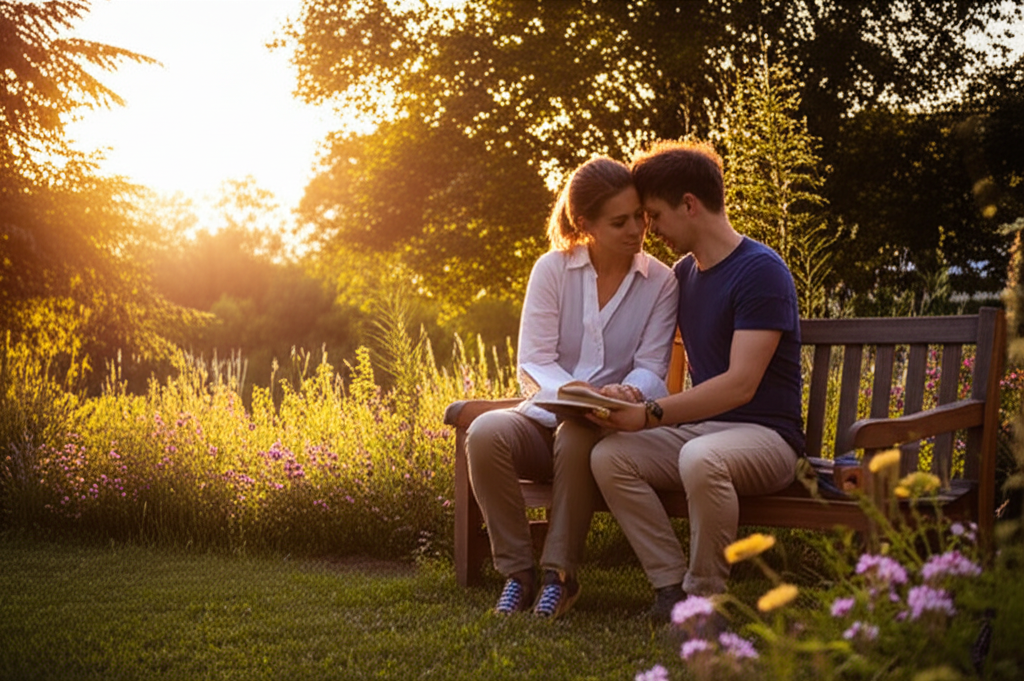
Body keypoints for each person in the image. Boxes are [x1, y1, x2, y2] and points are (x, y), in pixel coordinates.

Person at [588, 140, 804, 624]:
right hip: (707, 433)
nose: (649, 229)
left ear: (689, 205)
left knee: (700, 457)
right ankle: (671, 590)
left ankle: (706, 601)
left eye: (654, 215)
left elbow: (739, 386)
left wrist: (648, 416)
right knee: (610, 455)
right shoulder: (683, 275)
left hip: (768, 438)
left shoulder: (760, 271)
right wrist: (623, 395)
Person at [465, 156, 678, 619]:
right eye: (619, 221)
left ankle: (559, 577)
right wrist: (573, 393)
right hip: (541, 421)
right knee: (483, 432)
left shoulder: (662, 282)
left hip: (607, 430)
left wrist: (625, 394)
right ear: (585, 224)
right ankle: (517, 575)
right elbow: (535, 360)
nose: (636, 230)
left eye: (640, 217)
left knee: (579, 431)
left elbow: (651, 365)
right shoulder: (552, 270)